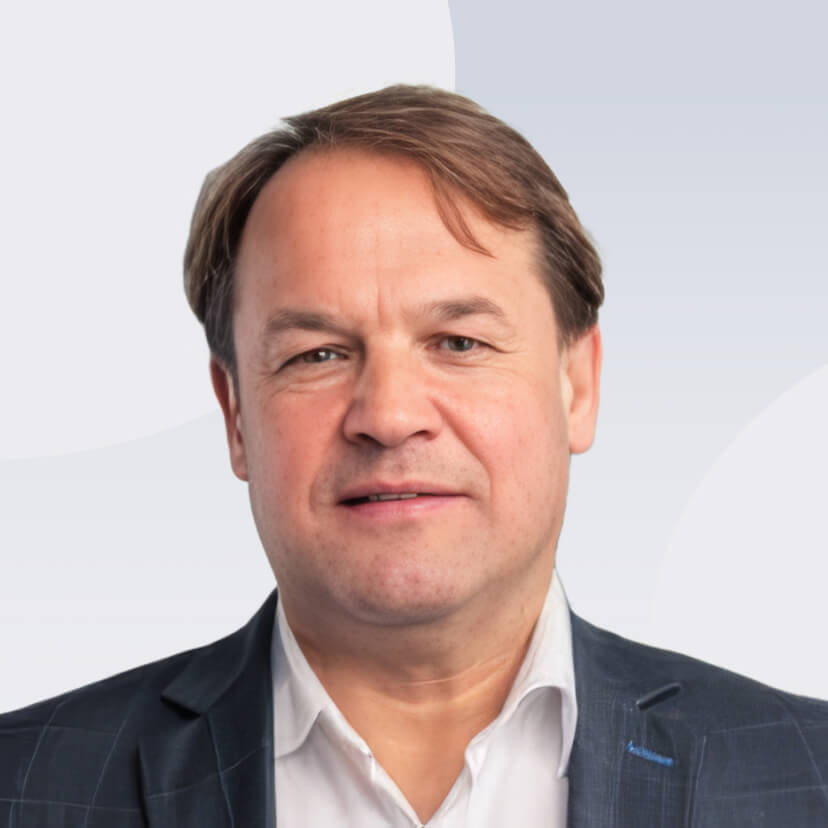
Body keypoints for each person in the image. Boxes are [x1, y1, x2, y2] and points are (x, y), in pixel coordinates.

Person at [1, 85, 826, 827]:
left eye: (459, 341)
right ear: (236, 417)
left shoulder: (807, 776)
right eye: (317, 354)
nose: (389, 417)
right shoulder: (25, 786)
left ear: (577, 386)